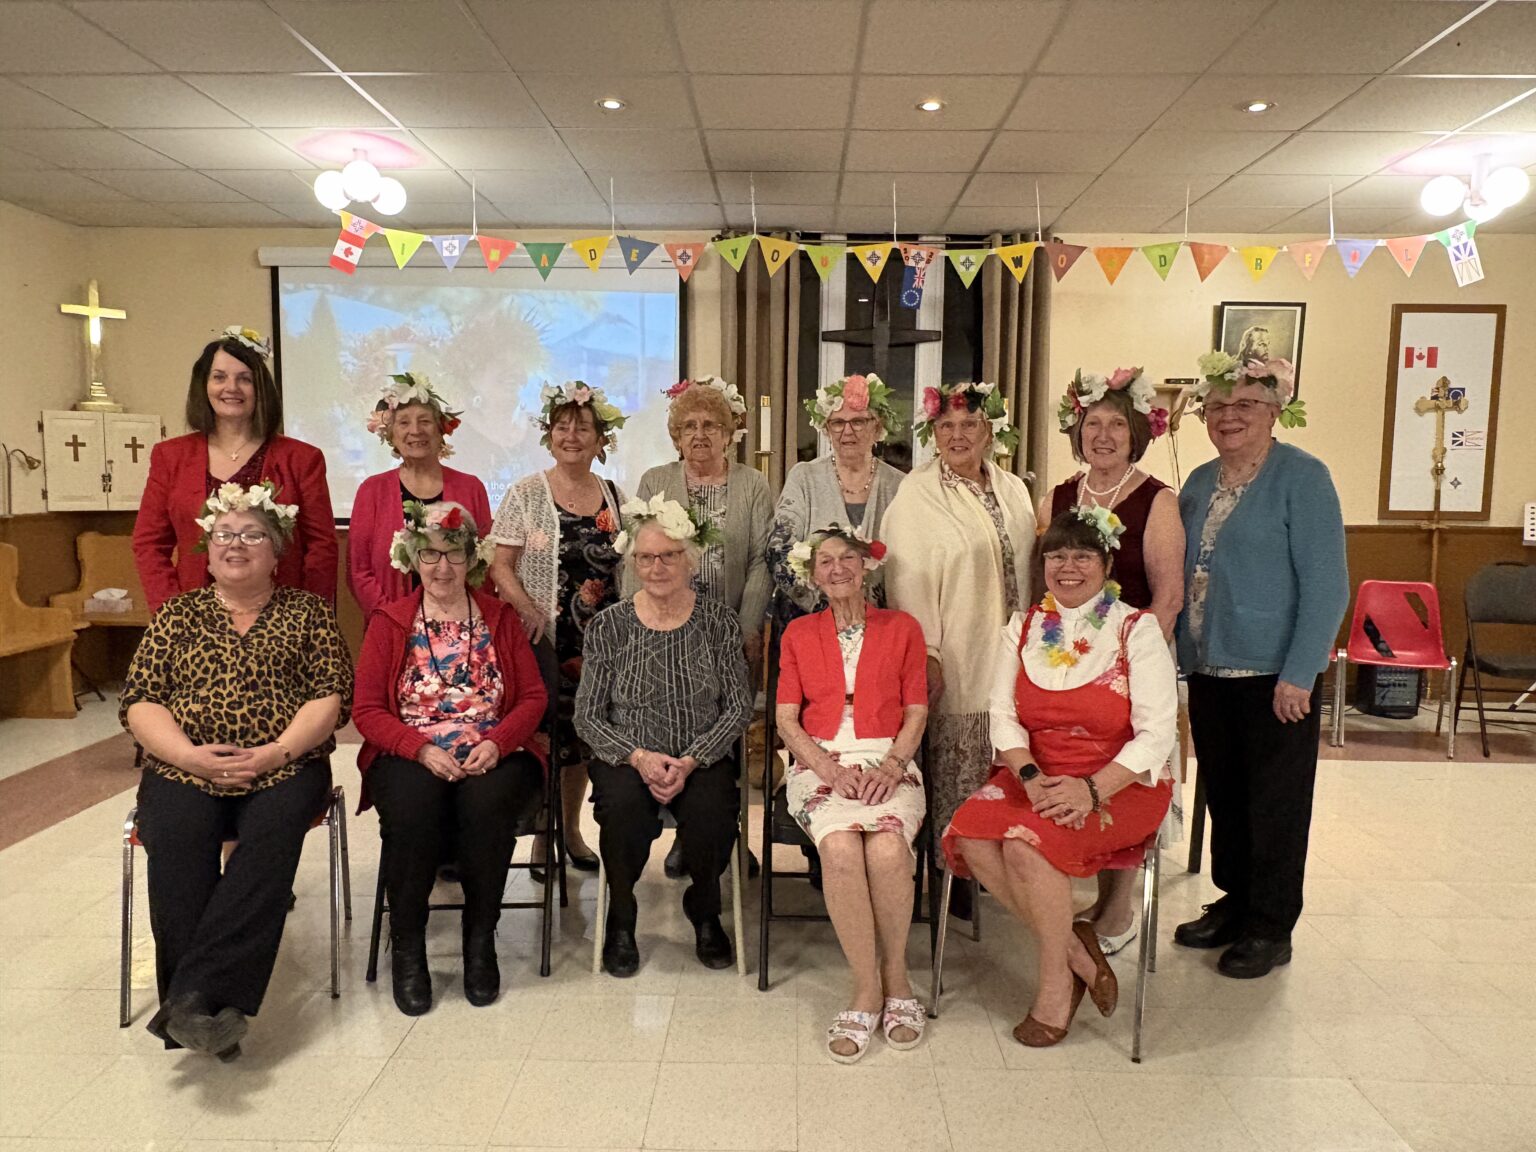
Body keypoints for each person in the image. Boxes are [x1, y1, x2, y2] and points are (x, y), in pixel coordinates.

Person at [121, 482, 351, 1058]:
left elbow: (330, 699)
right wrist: (185, 755)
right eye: (225, 534)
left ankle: (194, 999)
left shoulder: (308, 613)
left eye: (252, 535)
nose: (236, 544)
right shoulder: (177, 614)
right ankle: (208, 1008)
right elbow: (140, 700)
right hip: (185, 765)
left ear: (275, 551)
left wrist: (276, 752)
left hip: (284, 764)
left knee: (271, 839)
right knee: (176, 837)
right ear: (208, 547)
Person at [945, 508, 1177, 1047]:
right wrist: (1027, 775)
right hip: (1035, 771)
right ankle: (1077, 950)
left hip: (1121, 781)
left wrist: (1092, 789)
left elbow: (1158, 734)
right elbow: (1000, 713)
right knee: (971, 832)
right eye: (1056, 556)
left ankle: (1055, 986)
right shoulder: (1022, 627)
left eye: (1082, 556)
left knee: (1026, 847)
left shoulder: (1135, 630)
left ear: (1107, 564)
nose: (1068, 567)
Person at [1173, 352, 1347, 979]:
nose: (1229, 416)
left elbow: (1327, 585)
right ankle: (1236, 899)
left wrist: (1302, 672)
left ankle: (1272, 924)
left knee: (1276, 801)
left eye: (1245, 404)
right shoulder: (1197, 482)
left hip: (1276, 676)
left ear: (1274, 411)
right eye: (1217, 406)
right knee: (1226, 794)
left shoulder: (1303, 478)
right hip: (1210, 669)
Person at [353, 501, 547, 1015]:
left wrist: (498, 743)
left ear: (472, 560)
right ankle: (410, 948)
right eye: (431, 555)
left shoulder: (501, 618)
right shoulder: (390, 621)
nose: (442, 568)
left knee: (486, 808)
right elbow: (368, 710)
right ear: (413, 559)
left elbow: (532, 698)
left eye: (454, 556)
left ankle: (480, 942)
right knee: (414, 811)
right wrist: (419, 748)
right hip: (411, 750)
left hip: (494, 748)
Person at [575, 497, 754, 977]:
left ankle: (704, 907)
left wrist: (693, 758)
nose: (658, 567)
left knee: (713, 812)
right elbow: (587, 716)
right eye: (647, 557)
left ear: (690, 559)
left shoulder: (718, 622)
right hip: (627, 756)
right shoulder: (609, 626)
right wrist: (638, 757)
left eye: (670, 555)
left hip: (703, 754)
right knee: (622, 809)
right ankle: (621, 915)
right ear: (632, 564)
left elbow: (738, 705)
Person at [775, 525, 929, 1062]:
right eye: (824, 561)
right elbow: (785, 719)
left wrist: (891, 766)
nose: (836, 568)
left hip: (890, 757)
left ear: (866, 567)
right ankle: (866, 990)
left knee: (887, 847)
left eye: (847, 558)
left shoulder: (902, 627)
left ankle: (898, 977)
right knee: (840, 848)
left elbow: (917, 710)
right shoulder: (797, 633)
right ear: (812, 574)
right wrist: (830, 771)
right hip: (819, 762)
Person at [883, 381, 1035, 920]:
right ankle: (956, 877)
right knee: (960, 765)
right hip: (957, 650)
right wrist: (927, 653)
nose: (957, 435)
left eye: (969, 424)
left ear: (989, 430)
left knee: (1010, 753)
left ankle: (1005, 862)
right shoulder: (918, 494)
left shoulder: (1013, 488)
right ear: (932, 434)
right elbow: (907, 579)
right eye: (945, 426)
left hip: (1016, 651)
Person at [1047, 366, 1183, 957]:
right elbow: (1048, 578)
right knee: (1078, 761)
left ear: (1136, 432)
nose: (1102, 435)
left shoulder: (1158, 499)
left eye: (1115, 425)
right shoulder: (1057, 495)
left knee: (1125, 769)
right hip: (1068, 660)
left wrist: (1132, 668)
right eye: (1091, 423)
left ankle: (1119, 902)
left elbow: (1169, 595)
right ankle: (1083, 889)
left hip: (1134, 662)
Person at [632, 376, 771, 878]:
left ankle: (728, 837)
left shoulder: (753, 485)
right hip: (667, 634)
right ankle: (686, 837)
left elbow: (761, 560)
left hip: (731, 634)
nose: (700, 434)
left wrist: (748, 627)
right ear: (674, 435)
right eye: (688, 425)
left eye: (711, 424)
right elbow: (640, 556)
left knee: (726, 737)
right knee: (672, 730)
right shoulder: (655, 482)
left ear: (731, 432)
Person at [489, 381, 627, 873]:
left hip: (599, 643)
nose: (572, 436)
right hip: (542, 637)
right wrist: (528, 610)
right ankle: (541, 836)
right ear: (549, 436)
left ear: (599, 440)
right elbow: (500, 564)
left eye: (583, 428)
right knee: (546, 736)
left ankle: (570, 829)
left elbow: (624, 567)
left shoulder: (614, 494)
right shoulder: (526, 491)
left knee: (584, 739)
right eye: (562, 427)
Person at [134, 326, 336, 614]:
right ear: (204, 385)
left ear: (260, 389)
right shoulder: (170, 456)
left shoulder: (302, 458)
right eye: (219, 377)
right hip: (195, 619)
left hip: (281, 619)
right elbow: (149, 543)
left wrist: (307, 615)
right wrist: (172, 612)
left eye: (245, 379)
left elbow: (321, 549)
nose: (231, 388)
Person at [348, 373, 492, 617]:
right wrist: (392, 620)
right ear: (391, 435)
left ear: (440, 431)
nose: (415, 430)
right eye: (404, 423)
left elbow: (484, 565)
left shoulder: (471, 488)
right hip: (390, 625)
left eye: (424, 421)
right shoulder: (372, 491)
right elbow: (359, 571)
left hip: (461, 626)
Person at [768, 373, 906, 623]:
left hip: (880, 625)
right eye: (838, 423)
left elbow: (909, 560)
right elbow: (779, 549)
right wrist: (825, 606)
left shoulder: (899, 485)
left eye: (858, 422)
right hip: (807, 620)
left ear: (877, 426)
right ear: (826, 428)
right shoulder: (804, 477)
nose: (847, 432)